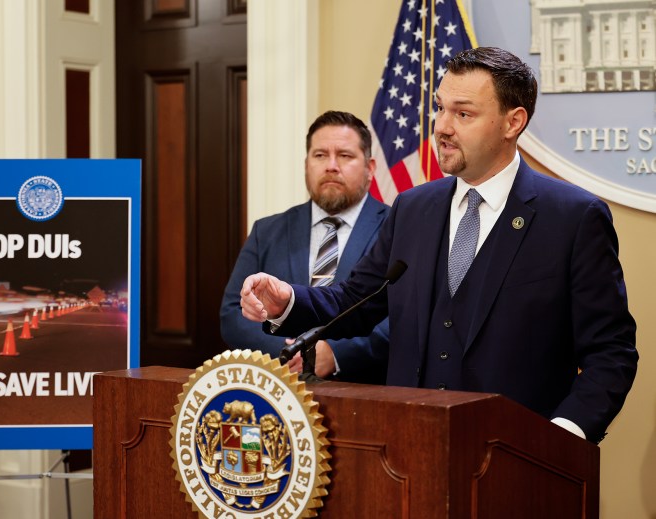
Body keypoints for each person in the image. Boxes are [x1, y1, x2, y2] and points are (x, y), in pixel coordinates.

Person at [239, 47, 638, 444]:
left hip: (517, 461)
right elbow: (356, 301)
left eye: (463, 114)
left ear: (512, 122)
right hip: (407, 452)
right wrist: (287, 301)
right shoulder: (413, 207)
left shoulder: (573, 217)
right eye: (440, 108)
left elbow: (610, 352)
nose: (442, 126)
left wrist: (560, 438)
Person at [221, 111, 390, 383]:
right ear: (306, 164)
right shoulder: (267, 230)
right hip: (278, 392)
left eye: (345, 156)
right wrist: (290, 353)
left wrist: (335, 355)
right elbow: (232, 313)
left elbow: (404, 315)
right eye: (320, 155)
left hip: (364, 392)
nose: (331, 166)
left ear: (370, 168)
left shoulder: (397, 227)